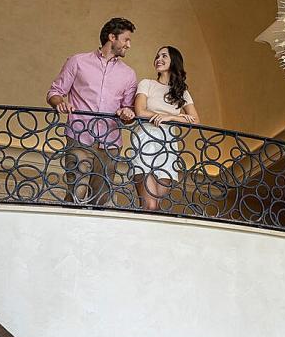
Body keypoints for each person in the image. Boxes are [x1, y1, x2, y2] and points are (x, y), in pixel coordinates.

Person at [47, 17, 139, 206]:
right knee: (77, 193)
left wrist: (127, 114)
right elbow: (54, 92)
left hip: (110, 143)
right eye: (126, 39)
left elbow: (129, 110)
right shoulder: (77, 61)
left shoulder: (129, 74)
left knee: (103, 198)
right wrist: (59, 103)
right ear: (112, 37)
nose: (129, 45)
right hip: (79, 136)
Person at [132, 45, 199, 211]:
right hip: (146, 139)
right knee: (151, 204)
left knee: (156, 203)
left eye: (164, 56)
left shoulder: (182, 92)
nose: (158, 59)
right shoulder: (146, 84)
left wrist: (171, 117)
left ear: (173, 61)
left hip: (169, 145)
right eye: (157, 56)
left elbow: (196, 120)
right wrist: (174, 117)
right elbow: (140, 111)